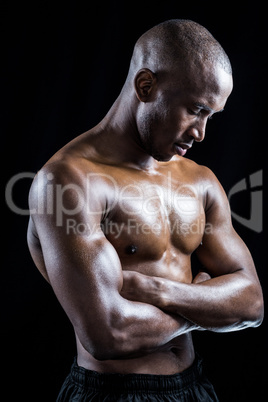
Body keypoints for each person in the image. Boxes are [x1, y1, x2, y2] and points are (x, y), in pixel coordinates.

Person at [27, 19, 264, 401]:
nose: (201, 132)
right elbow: (108, 333)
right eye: (196, 110)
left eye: (211, 116)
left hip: (194, 387)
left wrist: (156, 290)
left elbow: (251, 303)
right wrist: (203, 303)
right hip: (111, 393)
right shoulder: (69, 181)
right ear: (146, 86)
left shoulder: (200, 180)